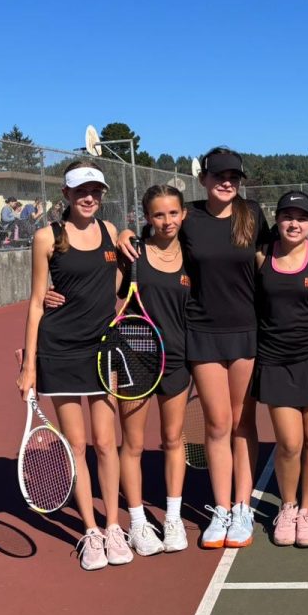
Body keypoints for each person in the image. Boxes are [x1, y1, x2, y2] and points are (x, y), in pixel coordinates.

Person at [118, 147, 269, 549]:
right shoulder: (190, 218)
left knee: (242, 422)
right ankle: (221, 509)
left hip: (245, 331)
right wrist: (123, 233)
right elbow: (153, 237)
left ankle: (242, 507)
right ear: (203, 178)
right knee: (216, 424)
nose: (227, 181)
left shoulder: (252, 214)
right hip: (201, 333)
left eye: (234, 176)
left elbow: (273, 256)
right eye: (219, 175)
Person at [45, 184, 193, 555]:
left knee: (174, 440)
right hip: (134, 359)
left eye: (173, 213)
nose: (167, 220)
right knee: (134, 444)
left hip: (177, 359)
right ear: (147, 218)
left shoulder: (193, 256)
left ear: (184, 215)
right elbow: (96, 279)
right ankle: (139, 522)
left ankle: (173, 519)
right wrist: (54, 294)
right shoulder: (132, 252)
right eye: (158, 214)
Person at [16, 162, 132, 571]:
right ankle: (90, 532)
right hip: (60, 348)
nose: (89, 197)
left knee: (106, 442)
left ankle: (114, 526)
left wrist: (131, 241)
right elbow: (35, 301)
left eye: (96, 190)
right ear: (65, 195)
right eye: (81, 191)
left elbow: (118, 285)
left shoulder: (112, 232)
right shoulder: (47, 236)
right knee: (77, 445)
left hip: (102, 348)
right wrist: (29, 365)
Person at [253, 192, 308, 548]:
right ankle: (287, 508)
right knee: (289, 443)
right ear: (277, 219)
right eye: (287, 216)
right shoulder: (261, 255)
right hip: (275, 359)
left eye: (302, 218)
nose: (294, 223)